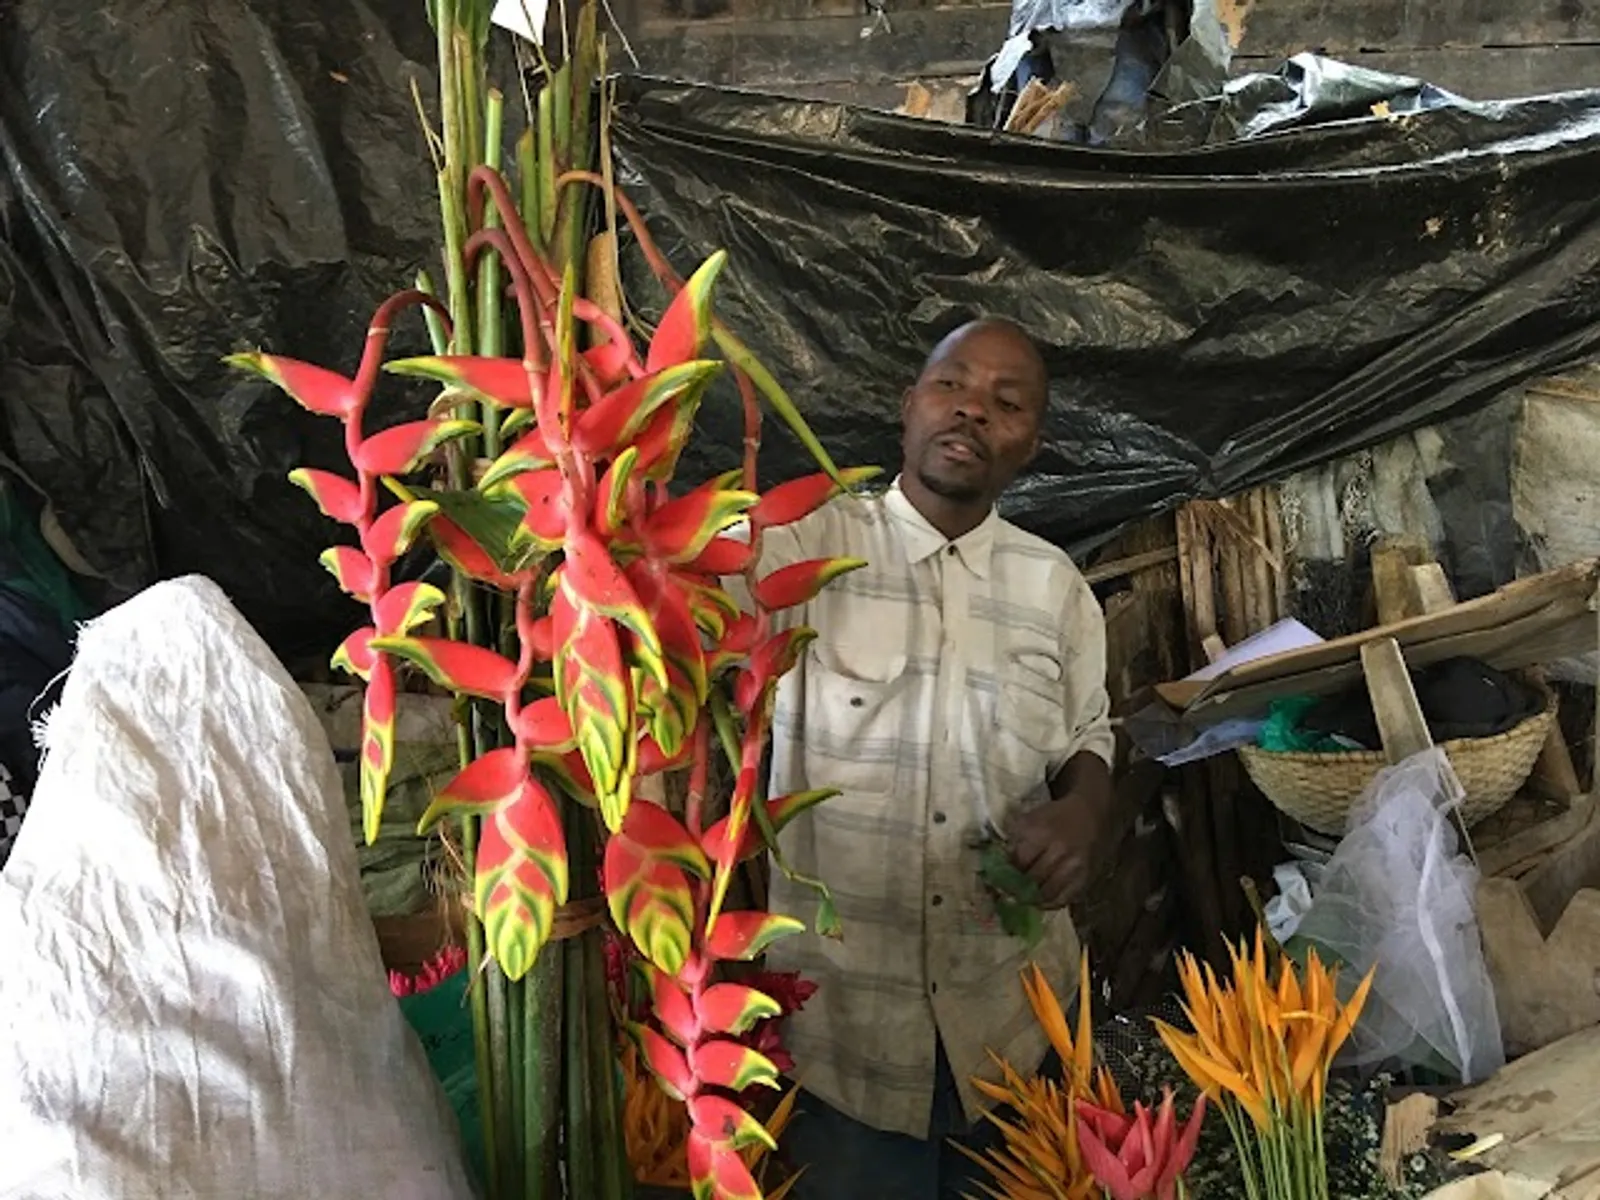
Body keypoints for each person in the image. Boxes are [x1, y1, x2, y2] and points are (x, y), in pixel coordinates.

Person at [749, 318, 1116, 1198]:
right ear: (909, 405)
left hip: (1014, 1023)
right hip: (838, 1035)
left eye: (1008, 402)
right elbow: (668, 592)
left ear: (1033, 441)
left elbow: (1088, 737)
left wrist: (1082, 811)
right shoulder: (797, 547)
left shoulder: (1053, 586)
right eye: (953, 384)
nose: (973, 412)